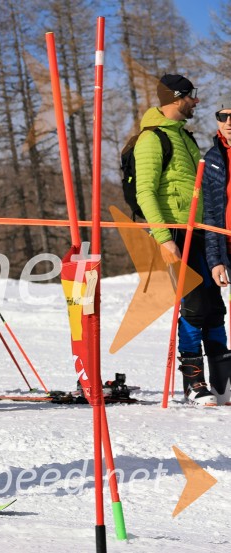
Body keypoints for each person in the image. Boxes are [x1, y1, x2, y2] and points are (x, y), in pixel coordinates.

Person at [135, 74, 228, 406]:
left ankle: (223, 383)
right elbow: (145, 192)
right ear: (176, 98)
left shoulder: (185, 138)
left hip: (198, 231)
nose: (196, 101)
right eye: (192, 96)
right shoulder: (152, 139)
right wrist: (163, 238)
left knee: (214, 308)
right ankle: (194, 383)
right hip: (173, 233)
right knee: (192, 307)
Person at [197, 93, 231, 406]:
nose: (229, 122)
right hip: (226, 246)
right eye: (223, 116)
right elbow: (209, 215)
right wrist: (215, 260)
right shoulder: (212, 158)